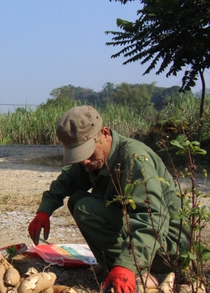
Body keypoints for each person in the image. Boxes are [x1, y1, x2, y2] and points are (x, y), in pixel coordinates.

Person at [27, 105, 189, 293]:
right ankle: (123, 266)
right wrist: (44, 211)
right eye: (79, 156)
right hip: (146, 237)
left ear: (104, 133)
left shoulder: (134, 157)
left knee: (85, 208)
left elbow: (152, 220)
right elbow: (68, 180)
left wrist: (127, 264)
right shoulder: (95, 157)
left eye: (87, 153)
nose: (85, 162)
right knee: (78, 200)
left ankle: (141, 271)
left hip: (167, 247)